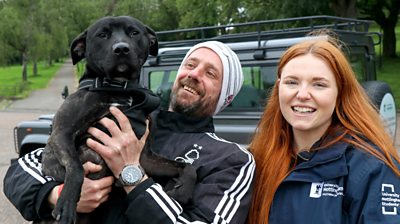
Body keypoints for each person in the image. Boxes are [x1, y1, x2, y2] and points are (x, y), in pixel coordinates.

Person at [4, 41, 255, 224]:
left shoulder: (230, 160)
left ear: (226, 96)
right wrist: (56, 195)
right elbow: (22, 171)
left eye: (211, 73)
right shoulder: (125, 117)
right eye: (190, 64)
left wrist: (132, 174)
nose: (194, 74)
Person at [247, 34, 400, 224]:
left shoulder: (372, 168)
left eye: (319, 85)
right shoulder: (258, 158)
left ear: (340, 92)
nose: (302, 94)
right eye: (292, 82)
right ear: (278, 88)